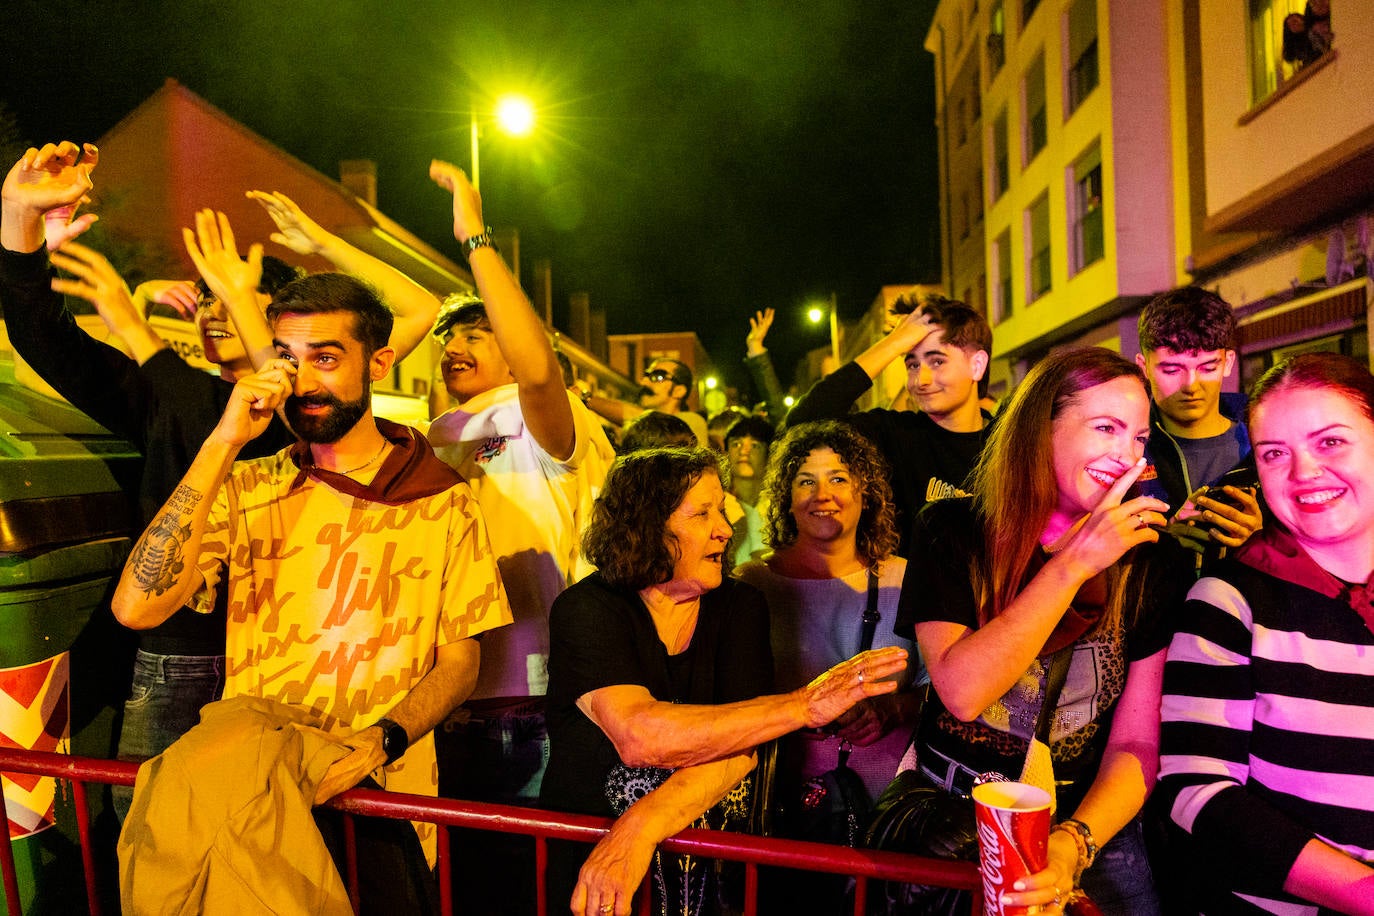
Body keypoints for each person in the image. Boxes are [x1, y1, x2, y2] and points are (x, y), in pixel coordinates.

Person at [109, 270, 511, 909]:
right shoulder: (246, 484)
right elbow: (135, 607)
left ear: (378, 362)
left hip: (386, 797)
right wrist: (222, 441)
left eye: (326, 357)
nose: (303, 380)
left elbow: (461, 662)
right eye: (287, 359)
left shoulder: (442, 498)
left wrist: (385, 737)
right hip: (259, 803)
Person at [0, 141, 304, 820]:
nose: (217, 307)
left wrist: (169, 322)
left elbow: (291, 415)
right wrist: (19, 222)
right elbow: (44, 335)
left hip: (291, 665)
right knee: (152, 851)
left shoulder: (316, 410)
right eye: (207, 297)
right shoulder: (170, 397)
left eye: (241, 298)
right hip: (177, 662)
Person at [542, 447, 908, 916]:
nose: (725, 528)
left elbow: (739, 751)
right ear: (647, 525)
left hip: (711, 878)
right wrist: (803, 705)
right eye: (701, 514)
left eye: (723, 510)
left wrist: (638, 829)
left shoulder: (738, 606)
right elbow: (641, 735)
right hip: (598, 867)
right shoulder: (588, 609)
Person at [897, 347, 1191, 913]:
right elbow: (961, 691)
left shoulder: (1153, 560)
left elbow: (1136, 741)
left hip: (1091, 824)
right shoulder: (953, 532)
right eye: (1105, 428)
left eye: (1138, 437)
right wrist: (1075, 563)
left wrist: (1075, 842)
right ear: (1041, 428)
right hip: (956, 817)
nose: (1126, 454)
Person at [420, 160, 615, 912]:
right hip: (446, 703)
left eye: (478, 332)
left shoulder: (540, 417)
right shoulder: (433, 434)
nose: (457, 347)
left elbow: (537, 368)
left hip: (532, 712)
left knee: (536, 889)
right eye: (450, 340)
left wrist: (475, 237)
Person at [1157, 353, 1374, 915]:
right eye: (1276, 454)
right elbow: (1194, 788)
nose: (1304, 473)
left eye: (1330, 442)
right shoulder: (1231, 603)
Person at [736, 421, 922, 831]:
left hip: (887, 816)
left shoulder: (909, 580)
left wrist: (894, 708)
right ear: (786, 498)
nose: (823, 495)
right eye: (806, 482)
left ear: (866, 492)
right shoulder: (751, 585)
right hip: (775, 808)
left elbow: (946, 692)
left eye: (838, 478)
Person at [786, 293, 994, 557]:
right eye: (913, 365)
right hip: (906, 597)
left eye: (937, 361)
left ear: (977, 365)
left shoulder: (1009, 445)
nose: (921, 379)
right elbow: (804, 421)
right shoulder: (895, 436)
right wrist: (893, 343)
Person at [1135, 287, 1263, 555]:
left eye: (1207, 368)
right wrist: (1166, 544)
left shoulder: (1264, 440)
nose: (1191, 385)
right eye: (1171, 369)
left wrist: (1262, 540)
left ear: (1228, 362)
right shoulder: (1125, 451)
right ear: (1143, 367)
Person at [586, 356, 710, 446]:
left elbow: (640, 418)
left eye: (658, 376)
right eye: (646, 375)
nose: (644, 382)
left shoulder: (692, 422)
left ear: (679, 391)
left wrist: (585, 398)